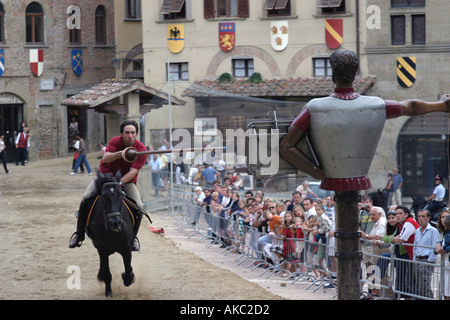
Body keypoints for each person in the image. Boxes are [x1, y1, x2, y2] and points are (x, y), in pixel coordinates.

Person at [280, 48, 450, 192]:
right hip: (359, 177)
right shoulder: (376, 105)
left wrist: (318, 172)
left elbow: (286, 146)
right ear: (355, 74)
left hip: (331, 178)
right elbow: (411, 107)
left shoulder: (314, 107)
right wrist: (441, 105)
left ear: (333, 74)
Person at [69, 120, 148, 251]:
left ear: (137, 134)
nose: (130, 135)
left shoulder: (141, 150)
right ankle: (79, 235)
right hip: (104, 177)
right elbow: (106, 158)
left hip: (126, 181)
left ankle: (133, 238)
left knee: (139, 206)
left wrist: (119, 184)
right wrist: (122, 153)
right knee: (86, 197)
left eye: (133, 133)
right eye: (127, 133)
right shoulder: (115, 142)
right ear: (121, 134)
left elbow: (133, 172)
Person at [392, 205, 419, 298]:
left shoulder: (409, 222)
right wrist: (393, 238)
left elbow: (400, 239)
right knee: (410, 282)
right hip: (412, 257)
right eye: (396, 214)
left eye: (400, 213)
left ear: (406, 214)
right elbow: (396, 238)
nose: (398, 216)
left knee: (414, 284)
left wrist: (392, 239)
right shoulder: (401, 224)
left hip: (416, 257)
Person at [412, 209, 440, 299]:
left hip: (426, 259)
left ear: (428, 218)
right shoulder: (417, 231)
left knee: (425, 285)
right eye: (419, 216)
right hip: (417, 259)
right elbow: (415, 246)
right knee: (419, 285)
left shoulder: (433, 231)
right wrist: (414, 259)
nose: (420, 218)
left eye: (423, 216)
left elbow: (435, 247)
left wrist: (429, 261)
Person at [434, 209, 450, 300]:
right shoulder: (444, 233)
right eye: (442, 217)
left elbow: (446, 247)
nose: (444, 219)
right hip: (445, 267)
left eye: (447, 217)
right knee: (444, 293)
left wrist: (443, 249)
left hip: (448, 267)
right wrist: (438, 245)